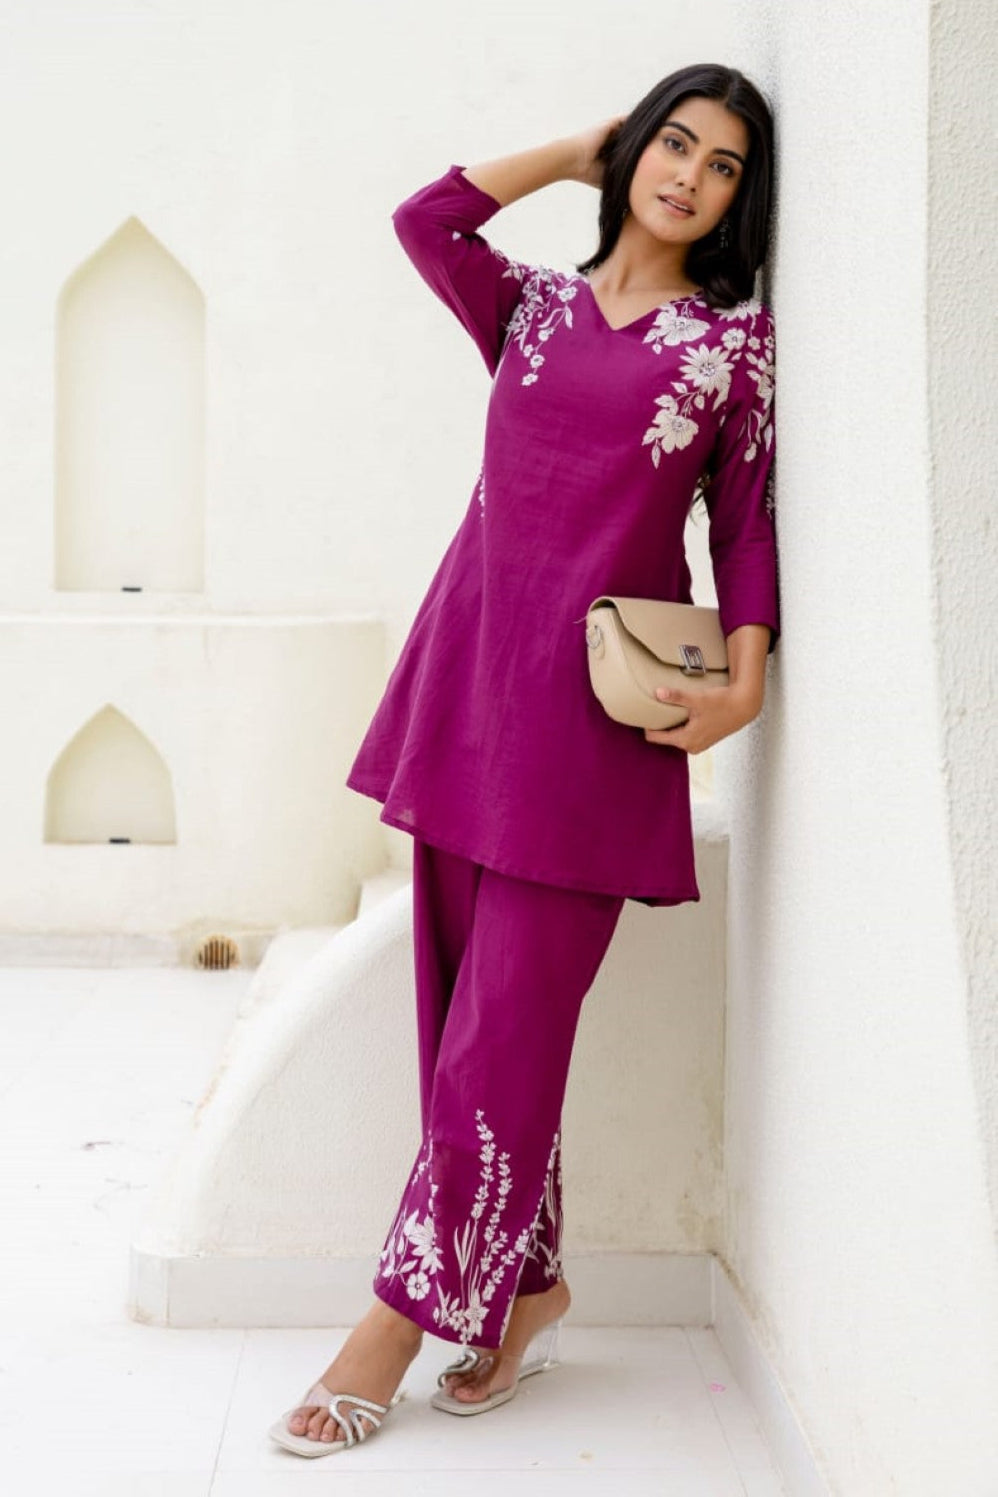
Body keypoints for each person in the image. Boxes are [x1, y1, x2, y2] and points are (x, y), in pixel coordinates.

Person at [269, 61, 780, 1456]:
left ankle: (397, 1323)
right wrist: (568, 151)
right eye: (672, 144)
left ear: (741, 202)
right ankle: (529, 1287)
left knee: (505, 1032)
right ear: (633, 151)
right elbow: (424, 220)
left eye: (723, 166)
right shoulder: (531, 308)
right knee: (460, 1023)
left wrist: (742, 682)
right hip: (470, 693)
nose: (688, 177)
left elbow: (743, 523)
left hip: (593, 733)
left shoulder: (728, 351)